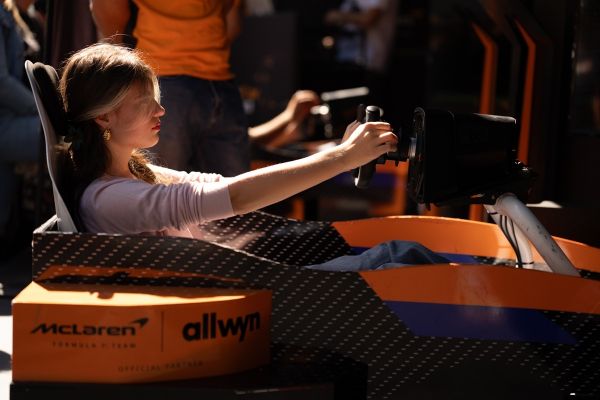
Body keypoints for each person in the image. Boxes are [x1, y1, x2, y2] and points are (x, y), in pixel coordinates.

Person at [57, 43, 447, 271]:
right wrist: (343, 158)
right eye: (144, 102)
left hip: (241, 288)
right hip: (236, 304)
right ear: (104, 116)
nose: (160, 111)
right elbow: (236, 196)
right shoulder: (106, 198)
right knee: (399, 259)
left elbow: (223, 187)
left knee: (400, 255)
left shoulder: (133, 176)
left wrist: (340, 153)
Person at [89, 0, 250, 177]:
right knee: (157, 185)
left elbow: (232, 18)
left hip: (220, 81)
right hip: (163, 77)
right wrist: (122, 66)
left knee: (232, 188)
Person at [0, 0, 41, 244]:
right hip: (6, 124)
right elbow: (1, 83)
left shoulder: (8, 12)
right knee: (69, 134)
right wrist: (44, 109)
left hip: (11, 119)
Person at [324, 0, 398, 108]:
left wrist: (338, 16)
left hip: (370, 64)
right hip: (344, 60)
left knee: (366, 109)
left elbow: (369, 19)